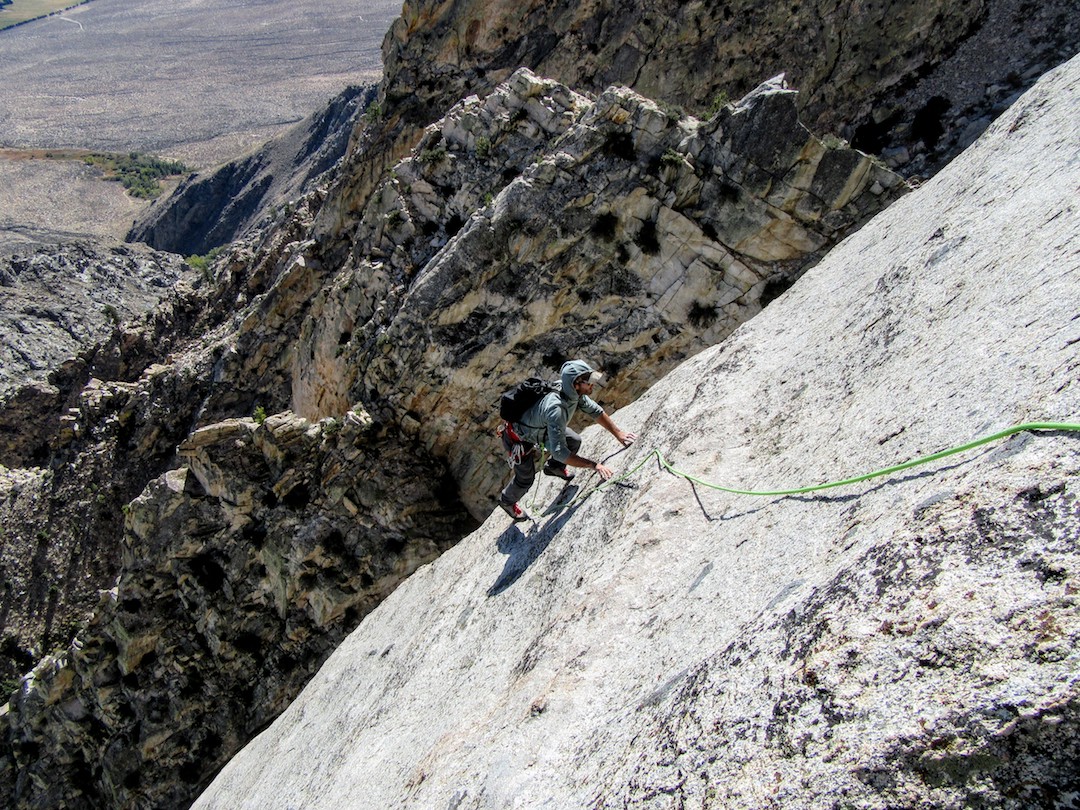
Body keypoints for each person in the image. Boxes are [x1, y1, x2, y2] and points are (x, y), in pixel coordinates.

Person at [498, 359, 636, 522]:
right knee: (525, 479)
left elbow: (595, 411)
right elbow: (560, 452)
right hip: (518, 438)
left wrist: (618, 433)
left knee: (574, 440)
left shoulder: (570, 392)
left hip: (542, 430)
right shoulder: (556, 409)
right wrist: (594, 465)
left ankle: (554, 467)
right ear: (576, 383)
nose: (593, 385)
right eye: (589, 381)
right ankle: (507, 501)